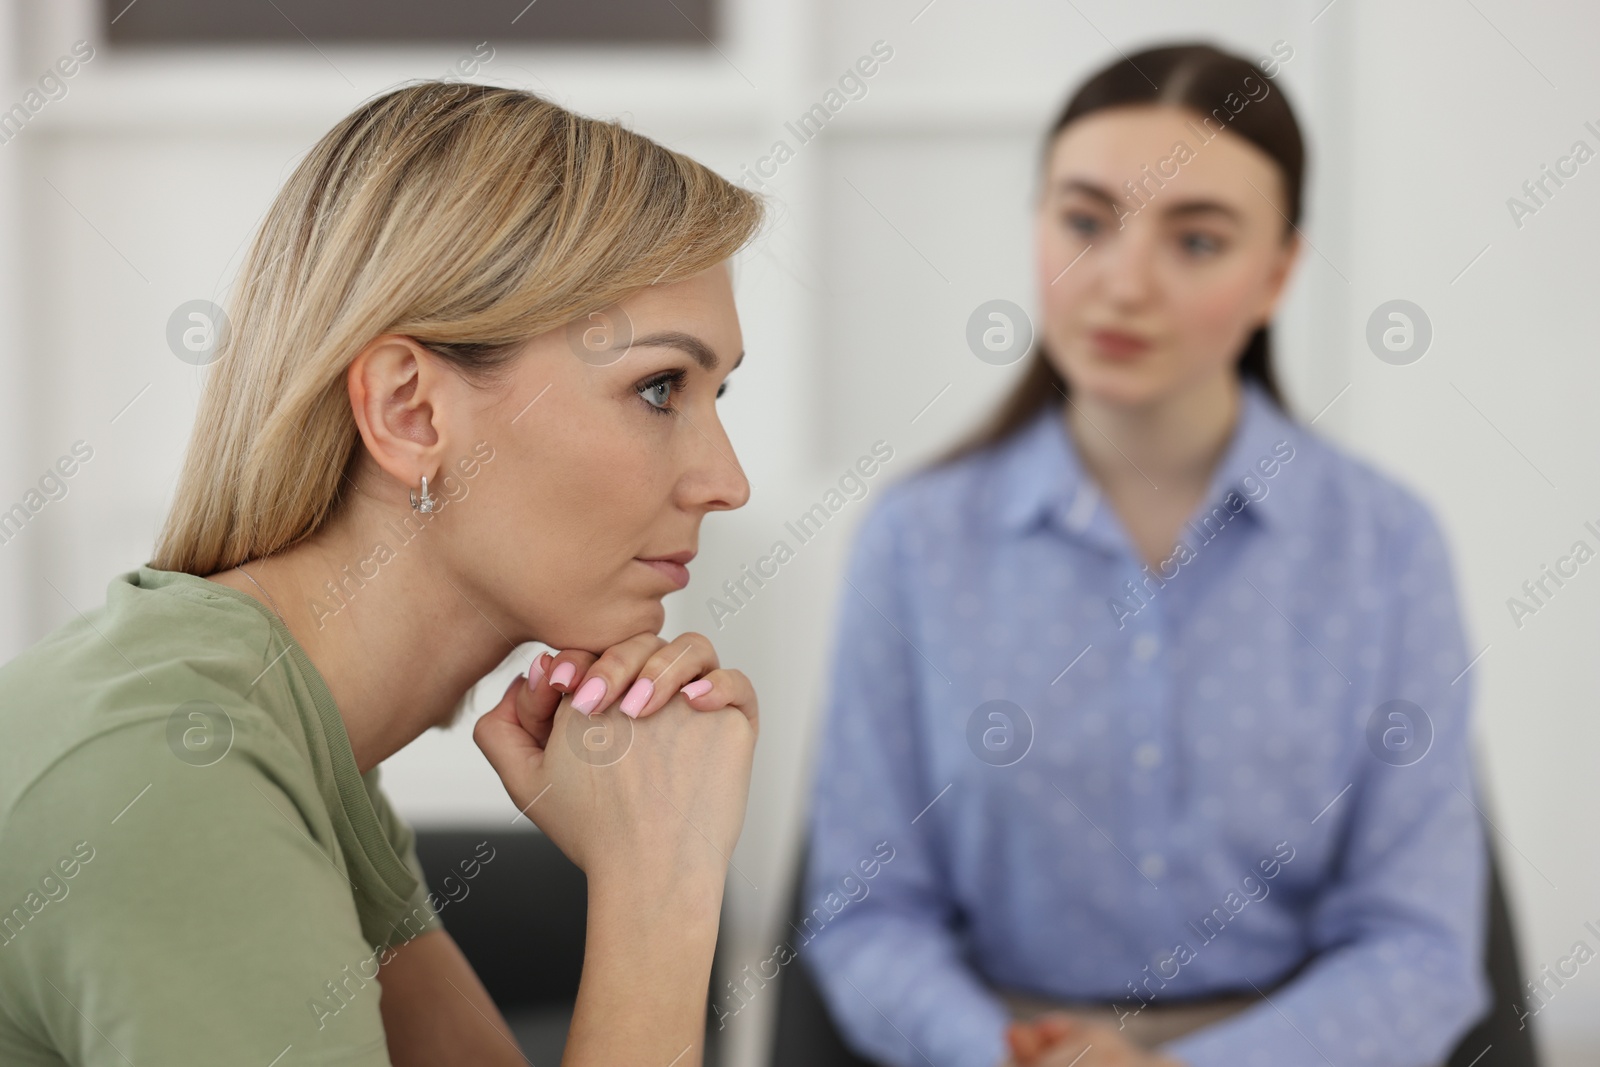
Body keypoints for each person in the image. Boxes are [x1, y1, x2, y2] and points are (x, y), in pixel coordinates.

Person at [0, 82, 762, 1066]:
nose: (727, 481)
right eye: (659, 387)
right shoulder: (170, 769)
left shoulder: (300, 735)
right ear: (410, 410)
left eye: (716, 392)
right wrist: (661, 883)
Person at [801, 42, 1488, 1067]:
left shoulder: (1385, 544)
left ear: (1279, 272)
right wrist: (999, 1052)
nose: (1121, 283)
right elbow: (864, 913)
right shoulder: (914, 541)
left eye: (1196, 240)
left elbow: (1418, 944)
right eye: (1084, 221)